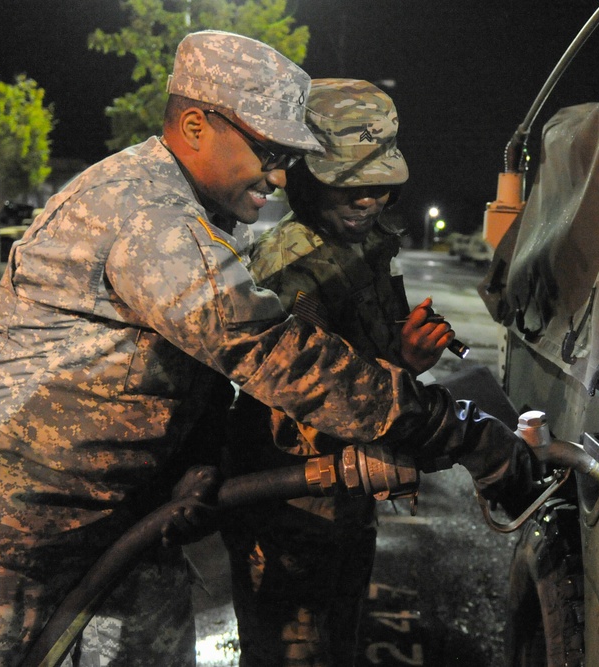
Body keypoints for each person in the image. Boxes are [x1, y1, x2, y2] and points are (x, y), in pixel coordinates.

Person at [0, 31, 535, 666]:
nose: (283, 174)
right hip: (13, 522)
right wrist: (465, 435)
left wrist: (199, 457)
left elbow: (195, 364)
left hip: (120, 514)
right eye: (267, 150)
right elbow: (277, 354)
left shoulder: (192, 213)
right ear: (197, 125)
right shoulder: (152, 220)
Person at [220, 78, 451, 666]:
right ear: (305, 177)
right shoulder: (290, 269)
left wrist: (405, 355)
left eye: (380, 186)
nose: (368, 201)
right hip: (290, 514)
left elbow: (366, 368)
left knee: (339, 644)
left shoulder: (366, 244)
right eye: (350, 185)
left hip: (349, 497)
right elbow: (288, 407)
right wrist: (397, 371)